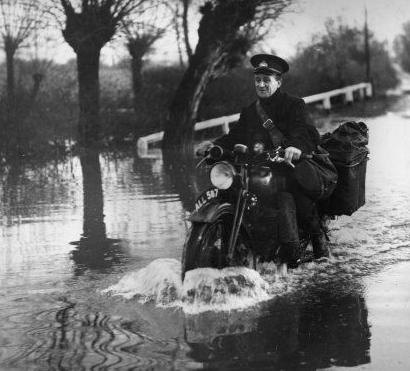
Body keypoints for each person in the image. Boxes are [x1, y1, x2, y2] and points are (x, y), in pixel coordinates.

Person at [198, 53, 329, 261]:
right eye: (257, 80)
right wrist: (215, 145)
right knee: (232, 190)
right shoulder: (250, 111)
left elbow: (307, 133)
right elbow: (235, 135)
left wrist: (295, 147)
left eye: (266, 80)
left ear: (278, 81)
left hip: (286, 165)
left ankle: (317, 237)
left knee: (296, 193)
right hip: (259, 167)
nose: (261, 84)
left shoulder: (293, 105)